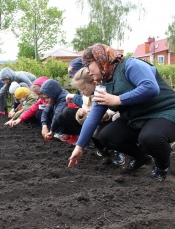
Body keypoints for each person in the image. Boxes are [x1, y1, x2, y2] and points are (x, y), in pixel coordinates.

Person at [68, 43, 175, 182]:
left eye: (88, 64)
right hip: (137, 119)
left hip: (165, 111)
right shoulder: (103, 84)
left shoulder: (131, 65)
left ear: (100, 59)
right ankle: (141, 157)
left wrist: (118, 99)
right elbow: (93, 118)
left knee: (150, 138)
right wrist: (79, 146)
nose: (87, 70)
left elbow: (151, 87)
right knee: (107, 136)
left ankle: (162, 167)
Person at [72, 67, 125, 165]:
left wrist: (106, 115)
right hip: (98, 122)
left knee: (112, 127)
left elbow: (116, 109)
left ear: (94, 84)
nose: (81, 91)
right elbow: (88, 113)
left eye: (83, 88)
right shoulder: (86, 97)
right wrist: (81, 114)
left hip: (112, 120)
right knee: (89, 127)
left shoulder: (104, 92)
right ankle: (102, 148)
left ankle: (118, 150)